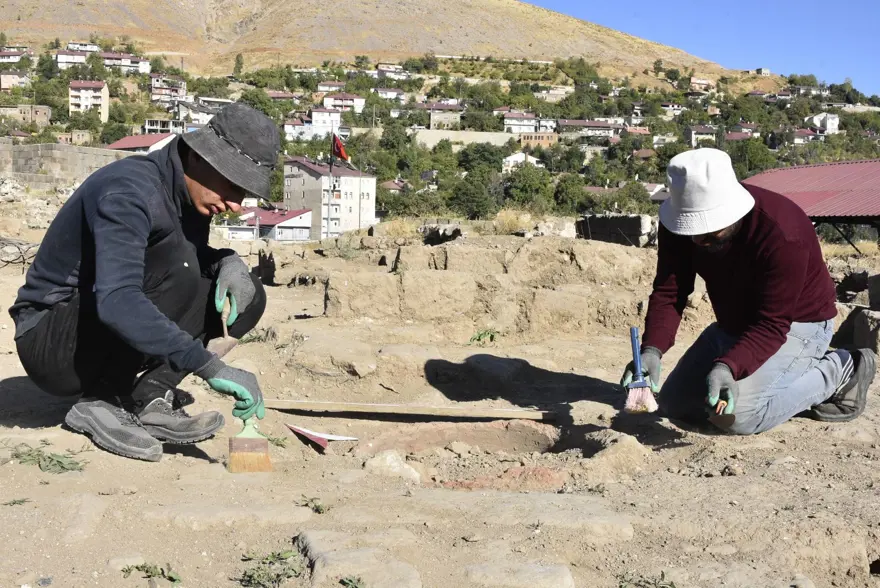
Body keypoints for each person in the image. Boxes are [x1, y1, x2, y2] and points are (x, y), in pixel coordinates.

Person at [9, 103, 279, 461]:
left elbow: (192, 255)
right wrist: (208, 365)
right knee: (180, 268)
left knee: (248, 294)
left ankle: (149, 394)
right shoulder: (129, 190)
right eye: (232, 184)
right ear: (198, 156)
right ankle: (102, 399)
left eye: (243, 192)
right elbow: (118, 298)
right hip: (53, 342)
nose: (235, 204)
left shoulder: (188, 193)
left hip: (94, 325)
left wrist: (228, 261)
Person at [621, 148, 876, 434]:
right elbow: (670, 292)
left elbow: (773, 324)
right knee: (675, 405)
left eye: (709, 231)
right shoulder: (679, 223)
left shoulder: (783, 232)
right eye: (691, 230)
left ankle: (842, 369)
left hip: (797, 324)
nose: (698, 240)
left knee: (740, 417)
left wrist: (728, 366)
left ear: (734, 211)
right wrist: (652, 350)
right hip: (734, 324)